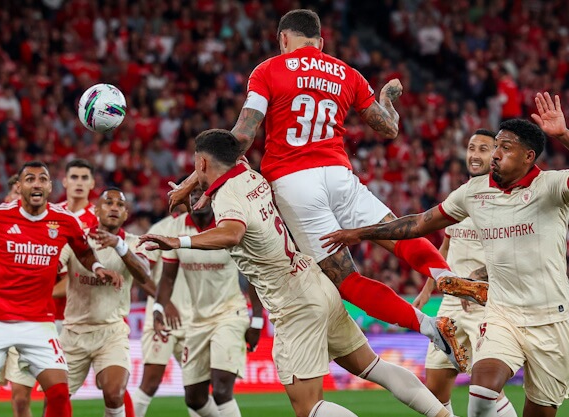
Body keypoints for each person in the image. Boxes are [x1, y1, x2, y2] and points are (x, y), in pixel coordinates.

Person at [167, 8, 466, 369]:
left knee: (349, 280)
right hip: (339, 174)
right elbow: (388, 129)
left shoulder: (268, 70)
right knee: (396, 233)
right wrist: (387, 99)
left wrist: (191, 180)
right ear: (320, 42)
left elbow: (242, 136)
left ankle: (432, 328)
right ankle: (446, 276)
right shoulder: (345, 72)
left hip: (295, 183)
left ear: (283, 39)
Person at [141, 129, 455, 417]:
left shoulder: (228, 198)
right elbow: (229, 166)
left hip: (294, 305)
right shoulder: (249, 174)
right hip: (315, 282)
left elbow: (231, 232)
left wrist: (177, 240)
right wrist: (198, 187)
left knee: (308, 407)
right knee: (373, 367)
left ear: (201, 162)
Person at [320, 94, 569, 417]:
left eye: (506, 148)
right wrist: (361, 233)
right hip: (501, 314)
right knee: (480, 394)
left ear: (528, 157)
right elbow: (419, 224)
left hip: (550, 319)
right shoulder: (473, 191)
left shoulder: (551, 187)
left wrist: (563, 136)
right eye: (496, 145)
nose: (495, 154)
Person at [0, 161, 124, 417]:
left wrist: (99, 267)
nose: (37, 183)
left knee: (58, 392)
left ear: (49, 186)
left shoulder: (65, 220)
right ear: (20, 186)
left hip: (38, 321)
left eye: (43, 179)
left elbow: (83, 250)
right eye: (30, 179)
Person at [412, 130, 517, 417]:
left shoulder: (503, 199)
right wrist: (425, 292)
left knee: (487, 390)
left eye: (483, 149)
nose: (474, 154)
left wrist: (476, 282)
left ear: (497, 155)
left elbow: (515, 252)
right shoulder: (459, 196)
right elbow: (445, 247)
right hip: (449, 305)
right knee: (435, 389)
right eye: (471, 147)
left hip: (487, 304)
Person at [152, 184, 264, 417]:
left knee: (222, 389)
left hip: (230, 314)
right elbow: (168, 278)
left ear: (211, 197)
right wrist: (157, 309)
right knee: (194, 398)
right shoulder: (175, 228)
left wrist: (256, 321)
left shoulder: (229, 226)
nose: (195, 195)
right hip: (197, 320)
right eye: (190, 192)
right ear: (183, 199)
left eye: (200, 191)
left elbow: (252, 275)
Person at [59, 187, 156, 417]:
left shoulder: (134, 242)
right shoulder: (77, 239)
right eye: (108, 202)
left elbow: (144, 275)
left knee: (114, 393)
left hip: (111, 332)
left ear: (125, 215)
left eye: (120, 205)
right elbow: (54, 267)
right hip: (73, 332)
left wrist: (118, 245)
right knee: (56, 399)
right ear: (96, 210)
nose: (114, 207)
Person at [131, 211, 195, 417]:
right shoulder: (161, 229)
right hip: (162, 319)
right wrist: (163, 302)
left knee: (198, 387)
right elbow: (139, 274)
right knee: (150, 382)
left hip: (194, 320)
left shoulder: (205, 230)